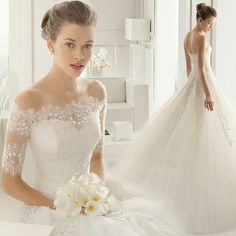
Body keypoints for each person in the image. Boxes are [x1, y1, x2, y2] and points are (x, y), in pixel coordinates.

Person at [0, 1, 180, 235]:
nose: (80, 55)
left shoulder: (97, 92)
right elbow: (9, 181)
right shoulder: (27, 102)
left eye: (88, 45)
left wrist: (98, 198)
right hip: (48, 209)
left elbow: (96, 159)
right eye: (70, 44)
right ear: (50, 44)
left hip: (92, 204)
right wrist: (62, 206)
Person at [112, 3, 236, 234]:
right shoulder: (200, 38)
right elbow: (201, 68)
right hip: (204, 85)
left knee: (190, 126)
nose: (210, 27)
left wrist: (192, 87)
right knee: (205, 129)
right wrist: (207, 93)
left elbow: (189, 69)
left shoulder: (188, 36)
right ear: (201, 19)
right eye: (209, 23)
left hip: (193, 84)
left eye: (212, 25)